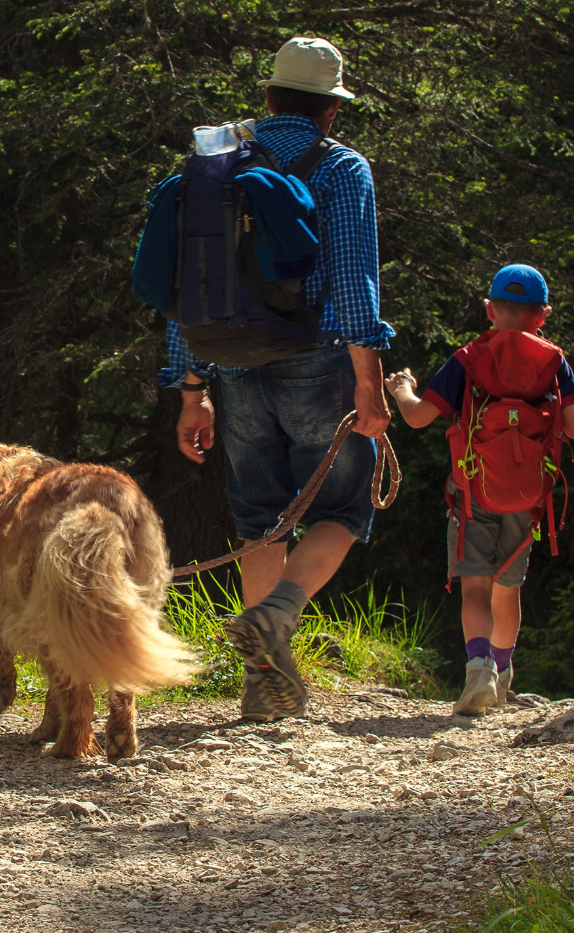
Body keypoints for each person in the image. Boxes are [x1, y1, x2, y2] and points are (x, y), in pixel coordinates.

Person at [164, 36, 393, 723]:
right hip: (319, 359)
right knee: (344, 511)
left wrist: (190, 386)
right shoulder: (341, 167)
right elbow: (354, 285)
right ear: (332, 111)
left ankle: (264, 685)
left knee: (261, 521)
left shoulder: (215, 158)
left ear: (267, 99)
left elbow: (189, 284)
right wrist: (370, 386)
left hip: (231, 364)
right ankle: (278, 615)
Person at [384, 264, 574, 715]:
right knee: (508, 589)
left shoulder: (468, 357)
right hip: (529, 497)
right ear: (542, 315)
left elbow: (420, 416)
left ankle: (478, 670)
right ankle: (502, 675)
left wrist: (402, 389)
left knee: (475, 588)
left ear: (489, 309)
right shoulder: (553, 361)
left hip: (472, 489)